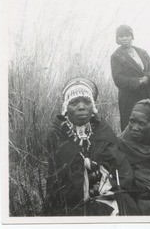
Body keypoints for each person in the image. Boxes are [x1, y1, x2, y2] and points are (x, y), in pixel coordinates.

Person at [44, 77, 139, 216]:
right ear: (65, 107)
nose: (81, 107)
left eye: (87, 102)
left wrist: (107, 184)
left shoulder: (102, 129)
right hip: (71, 202)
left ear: (93, 106)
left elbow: (122, 169)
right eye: (74, 102)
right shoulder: (58, 133)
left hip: (107, 195)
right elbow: (58, 180)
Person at [111, 24, 150, 131]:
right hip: (130, 99)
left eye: (127, 35)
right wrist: (139, 81)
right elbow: (118, 79)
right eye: (121, 36)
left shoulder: (142, 52)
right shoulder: (116, 57)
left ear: (132, 37)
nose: (124, 38)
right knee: (134, 129)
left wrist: (148, 78)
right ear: (117, 39)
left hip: (149, 95)